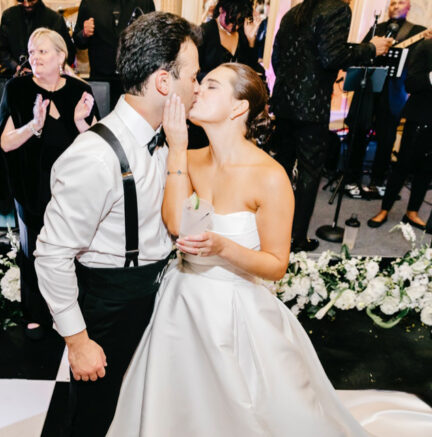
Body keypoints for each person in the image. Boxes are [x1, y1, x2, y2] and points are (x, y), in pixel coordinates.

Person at [107, 62, 368, 436]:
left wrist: (223, 247)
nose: (197, 90)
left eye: (211, 85)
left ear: (238, 108)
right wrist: (178, 149)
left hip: (238, 311)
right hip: (181, 305)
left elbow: (277, 265)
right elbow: (177, 225)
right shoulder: (189, 157)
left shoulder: (270, 176)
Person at [34, 12, 197, 436]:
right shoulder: (95, 156)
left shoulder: (167, 136)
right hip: (111, 303)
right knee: (90, 416)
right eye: (193, 77)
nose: (197, 87)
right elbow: (52, 254)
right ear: (165, 82)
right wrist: (77, 340)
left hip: (155, 291)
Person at [0, 28, 97, 340]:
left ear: (61, 55)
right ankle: (35, 312)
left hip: (70, 189)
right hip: (29, 187)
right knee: (33, 251)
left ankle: (68, 313)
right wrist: (33, 125)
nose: (36, 57)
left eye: (43, 51)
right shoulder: (17, 89)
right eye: (32, 51)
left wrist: (81, 123)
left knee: (72, 251)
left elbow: (97, 149)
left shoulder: (80, 91)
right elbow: (6, 143)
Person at [269, 0, 393, 252]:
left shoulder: (294, 12)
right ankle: (296, 239)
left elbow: (276, 57)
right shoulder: (337, 8)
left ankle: (270, 228)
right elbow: (332, 56)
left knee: (281, 167)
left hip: (283, 103)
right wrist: (370, 48)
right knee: (308, 173)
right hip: (311, 108)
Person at [344, 0, 427, 199]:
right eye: (392, 3)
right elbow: (360, 53)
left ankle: (378, 180)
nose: (395, 6)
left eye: (400, 2)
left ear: (409, 7)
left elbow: (419, 63)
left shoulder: (418, 31)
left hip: (393, 92)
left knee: (387, 138)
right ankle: (351, 178)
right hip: (369, 89)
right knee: (359, 133)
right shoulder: (377, 29)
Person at [367, 39, 432, 231]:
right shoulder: (426, 46)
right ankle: (384, 209)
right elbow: (410, 83)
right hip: (419, 117)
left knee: (427, 170)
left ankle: (412, 212)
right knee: (402, 166)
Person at [189, 0, 263, 148]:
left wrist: (251, 42)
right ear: (221, 10)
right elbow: (194, 71)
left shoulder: (241, 36)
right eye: (231, 20)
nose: (233, 26)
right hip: (207, 105)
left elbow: (249, 70)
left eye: (238, 22)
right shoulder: (206, 32)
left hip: (230, 109)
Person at [72, 0, 155, 78]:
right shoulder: (89, 2)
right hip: (101, 78)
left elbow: (154, 39)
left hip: (135, 78)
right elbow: (77, 41)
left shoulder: (145, 2)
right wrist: (84, 33)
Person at [0, 0, 75, 77]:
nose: (27, 4)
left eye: (31, 1)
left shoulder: (54, 19)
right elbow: (1, 50)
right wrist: (16, 67)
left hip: (46, 80)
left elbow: (67, 54)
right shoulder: (9, 16)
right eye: (23, 1)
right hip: (14, 77)